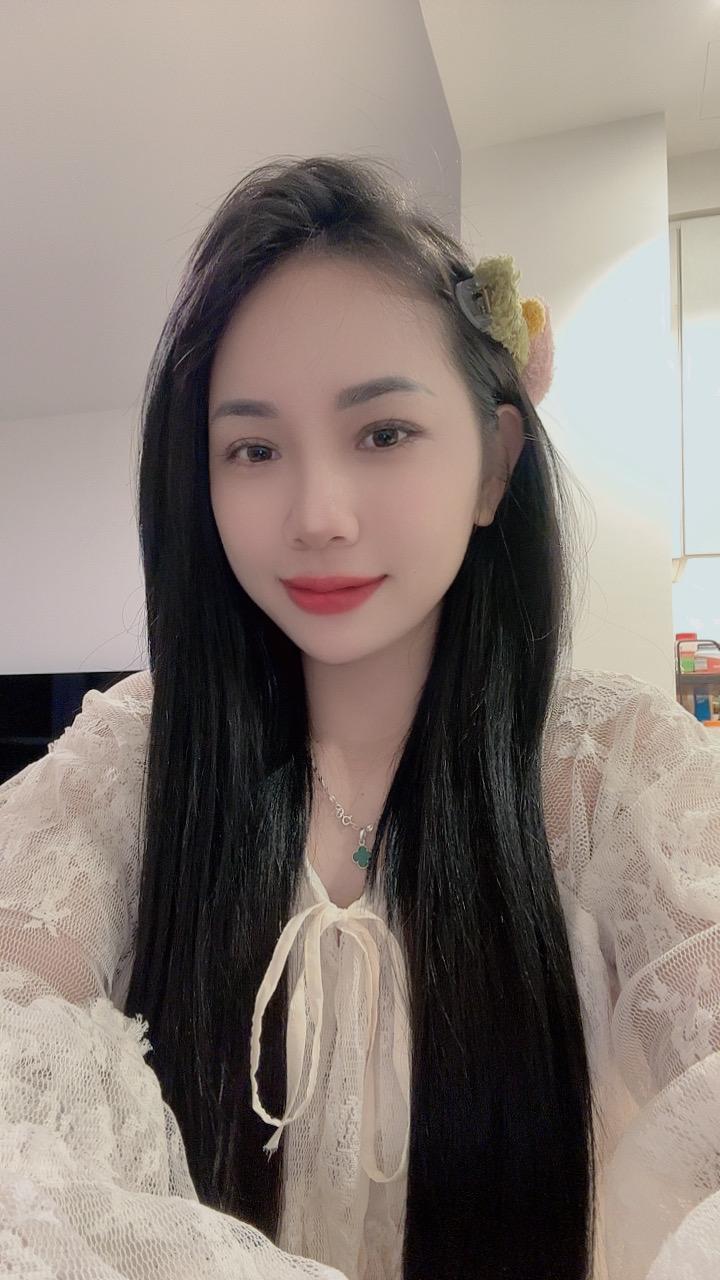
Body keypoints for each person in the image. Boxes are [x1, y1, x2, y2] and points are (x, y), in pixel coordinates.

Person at [0, 154, 718, 1280]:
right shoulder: (136, 756)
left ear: (495, 464)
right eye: (253, 449)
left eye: (382, 432)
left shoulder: (614, 775)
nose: (317, 514)